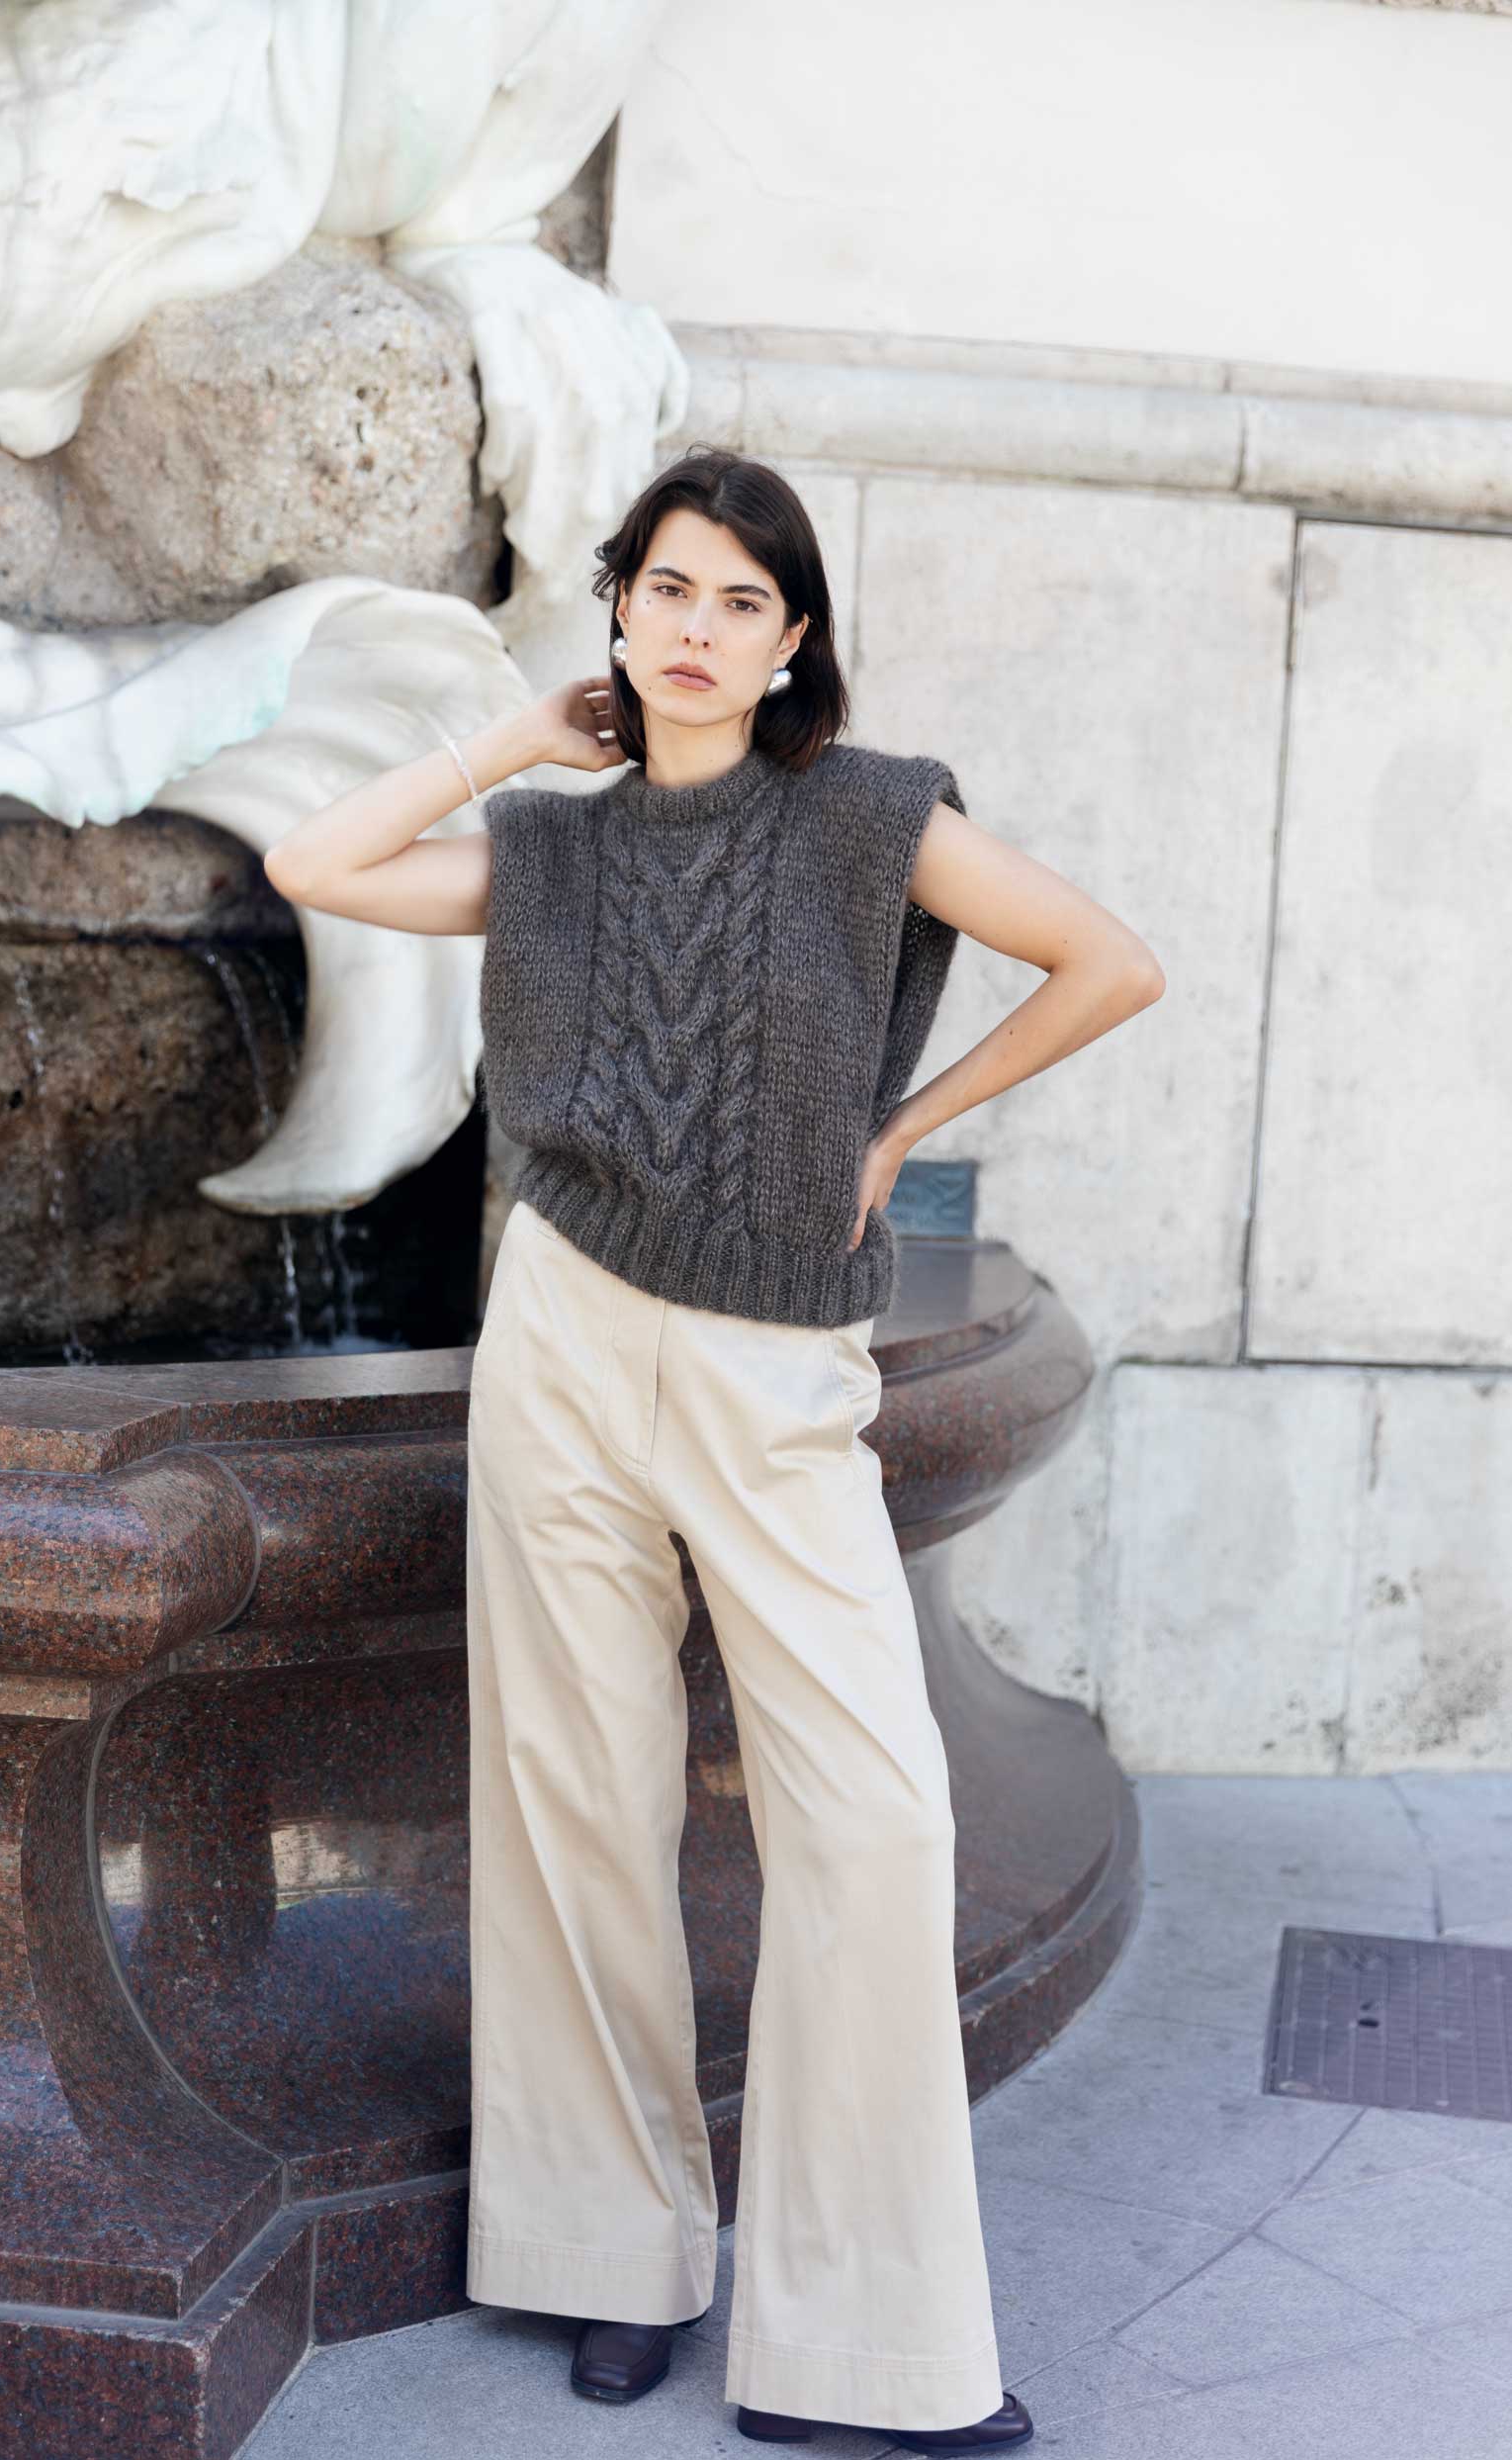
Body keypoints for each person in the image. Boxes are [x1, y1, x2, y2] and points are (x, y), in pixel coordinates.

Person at [264, 444, 1165, 2449]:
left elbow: (1110, 960)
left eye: (739, 600)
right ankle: (607, 2255)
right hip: (567, 1333)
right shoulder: (552, 847)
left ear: (793, 638)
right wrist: (518, 731)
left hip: (775, 1372)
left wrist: (901, 1125)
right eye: (665, 589)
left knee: (874, 1818)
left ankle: (866, 2348)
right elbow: (319, 863)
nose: (694, 628)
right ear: (618, 613)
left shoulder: (873, 817)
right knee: (576, 1794)